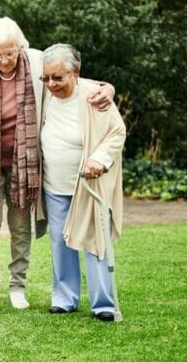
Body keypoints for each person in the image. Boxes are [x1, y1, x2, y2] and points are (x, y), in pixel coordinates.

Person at [0, 17, 115, 314]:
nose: (4, 60)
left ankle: (18, 286)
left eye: (9, 53)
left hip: (26, 162)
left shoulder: (36, 62)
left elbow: (72, 80)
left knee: (20, 227)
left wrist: (108, 88)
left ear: (21, 46)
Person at [39, 44, 125, 321]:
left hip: (87, 184)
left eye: (58, 78)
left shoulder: (94, 96)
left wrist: (99, 159)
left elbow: (116, 132)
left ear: (76, 73)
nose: (51, 83)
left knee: (94, 240)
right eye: (47, 78)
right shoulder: (43, 93)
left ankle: (103, 304)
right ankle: (64, 298)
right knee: (59, 243)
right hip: (54, 184)